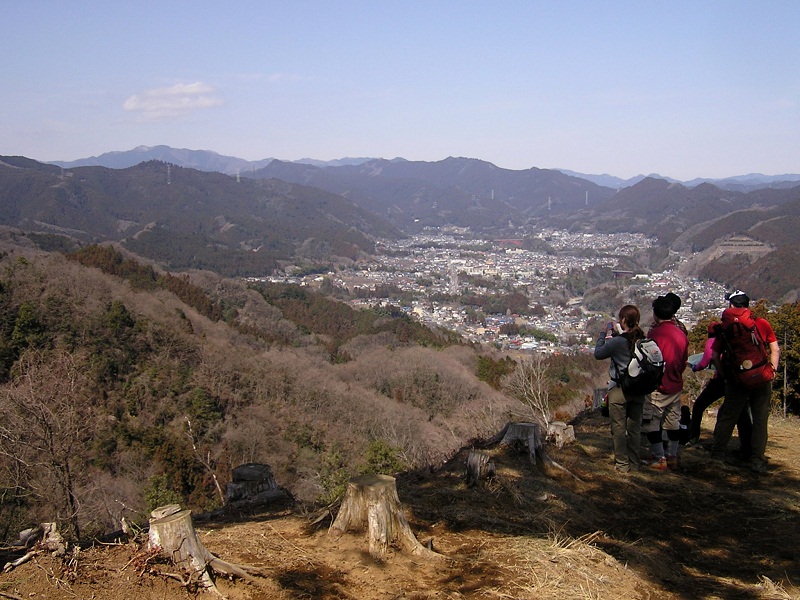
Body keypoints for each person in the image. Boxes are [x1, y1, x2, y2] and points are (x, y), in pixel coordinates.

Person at [710, 290, 779, 473]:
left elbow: (715, 355)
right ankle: (757, 459)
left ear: (731, 305)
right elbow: (775, 348)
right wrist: (772, 369)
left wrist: (725, 375)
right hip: (762, 376)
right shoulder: (760, 323)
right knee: (760, 418)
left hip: (736, 378)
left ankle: (717, 455)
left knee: (729, 416)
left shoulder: (725, 327)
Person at [594, 305, 647, 473]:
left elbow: (599, 353)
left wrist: (603, 333)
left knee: (618, 428)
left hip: (620, 388)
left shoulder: (618, 342)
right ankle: (634, 463)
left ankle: (623, 465)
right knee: (634, 428)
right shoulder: (642, 339)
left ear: (623, 320)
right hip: (639, 388)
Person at [687, 321, 752, 453]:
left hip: (721, 379)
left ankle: (694, 436)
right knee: (740, 412)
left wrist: (695, 367)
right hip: (739, 378)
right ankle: (747, 446)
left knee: (699, 405)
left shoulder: (713, 341)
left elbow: (706, 360)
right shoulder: (736, 339)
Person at [642, 293, 689, 471]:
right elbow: (684, 359)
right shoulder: (681, 333)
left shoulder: (655, 333)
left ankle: (659, 458)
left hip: (658, 385)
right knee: (673, 422)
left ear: (655, 313)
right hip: (675, 383)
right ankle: (673, 456)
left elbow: (649, 360)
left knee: (652, 423)